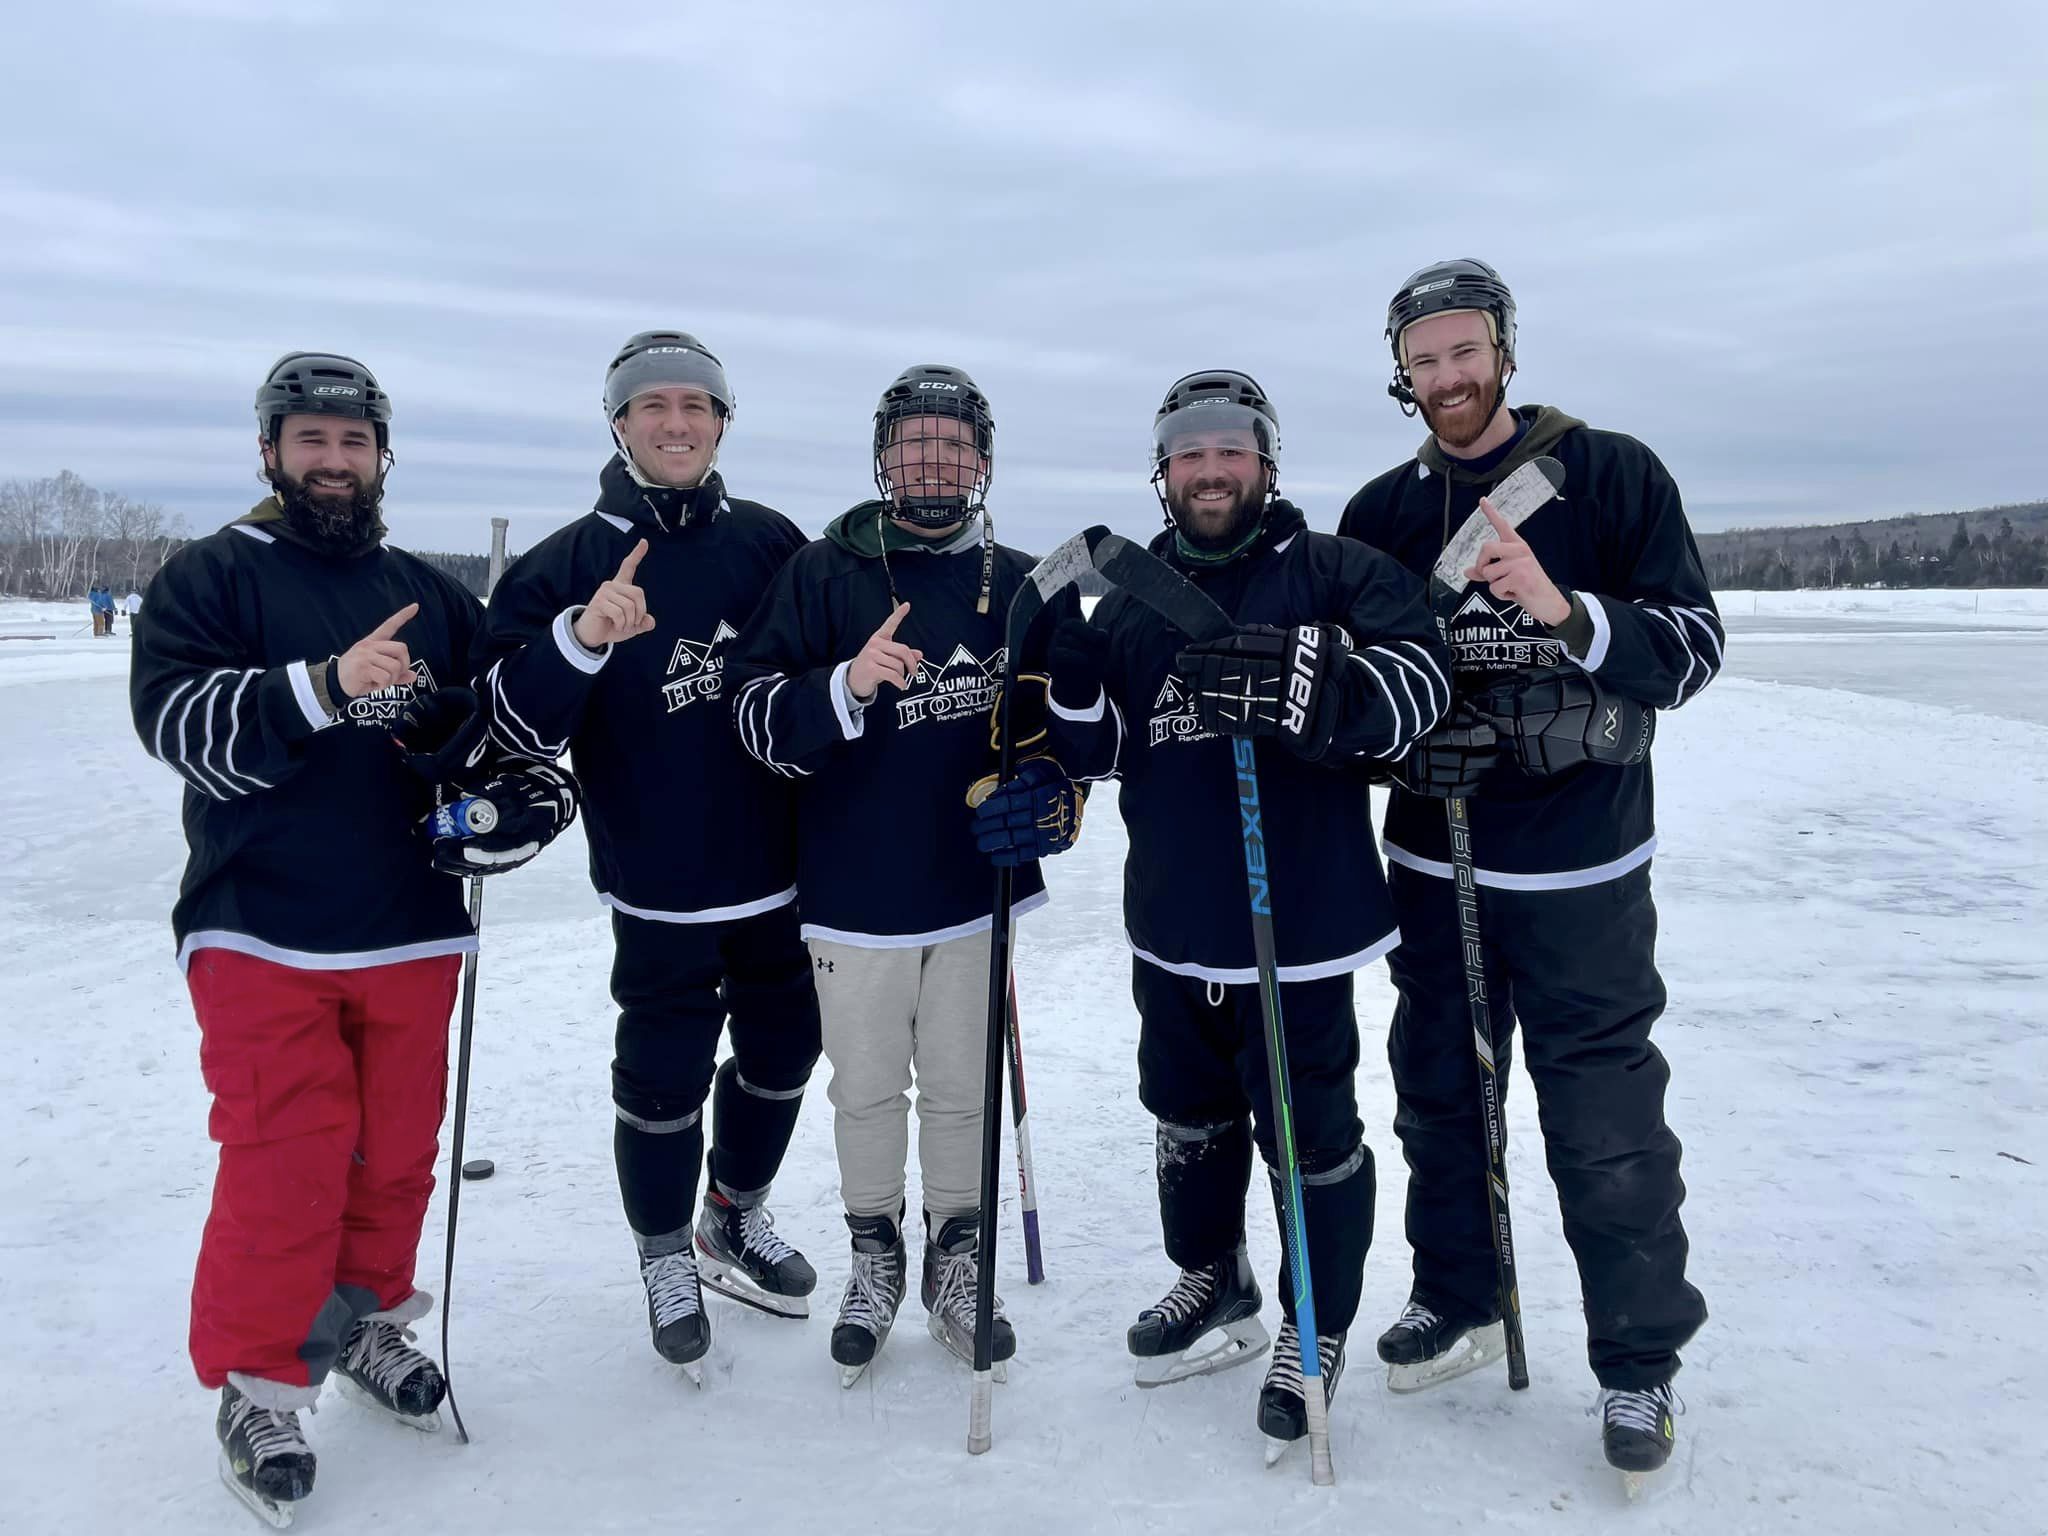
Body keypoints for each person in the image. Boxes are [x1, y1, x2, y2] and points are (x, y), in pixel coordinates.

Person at [130, 350, 579, 1523]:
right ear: (270, 451)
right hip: (261, 925)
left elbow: (484, 728)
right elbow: (179, 725)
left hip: (410, 928)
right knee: (287, 1154)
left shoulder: (428, 593)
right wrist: (320, 686)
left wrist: (522, 797)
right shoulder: (214, 575)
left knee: (393, 1150)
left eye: (353, 442)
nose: (333, 461)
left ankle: (366, 1321)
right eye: (309, 440)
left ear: (384, 455)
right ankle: (262, 1382)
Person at [975, 370, 1449, 1456]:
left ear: (1264, 462)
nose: (1208, 469)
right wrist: (1072, 666)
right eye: (1186, 453)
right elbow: (1097, 753)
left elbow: (1418, 690)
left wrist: (1308, 685)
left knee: (1305, 1132)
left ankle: (1312, 1325)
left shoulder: (1332, 571)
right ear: (1161, 472)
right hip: (1176, 915)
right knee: (1182, 1114)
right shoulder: (1134, 595)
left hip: (1301, 920)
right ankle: (1211, 1275)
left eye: (1228, 449)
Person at [1338, 258, 1719, 1481]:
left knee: (1602, 1120)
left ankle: (1637, 1362)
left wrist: (1569, 616)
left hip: (1579, 874)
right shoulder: (1383, 514)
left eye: (1465, 350)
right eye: (1424, 359)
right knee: (1441, 1096)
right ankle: (1456, 1294)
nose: (1447, 376)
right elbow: (1360, 684)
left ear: (1503, 350)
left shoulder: (1608, 475)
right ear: (1400, 375)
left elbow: (1692, 645)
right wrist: (1402, 733)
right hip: (1434, 860)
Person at [473, 331, 822, 1379]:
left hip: (782, 875)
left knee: (781, 1055)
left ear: (722, 422)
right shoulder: (562, 564)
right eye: (653, 406)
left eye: (696, 407)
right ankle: (664, 1251)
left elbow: (818, 686)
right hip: (660, 882)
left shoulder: (771, 544)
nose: (676, 424)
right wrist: (579, 639)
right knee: (663, 1078)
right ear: (618, 423)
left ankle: (733, 1214)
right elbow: (506, 730)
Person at [726, 364, 1067, 1386]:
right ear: (882, 460)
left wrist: (1049, 792)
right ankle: (874, 1254)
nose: (933, 462)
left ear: (983, 459)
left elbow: (1071, 723)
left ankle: (955, 1259)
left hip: (973, 889)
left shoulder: (1017, 581)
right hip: (850, 893)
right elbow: (751, 719)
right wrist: (842, 686)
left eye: (953, 445)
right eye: (914, 444)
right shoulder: (823, 573)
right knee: (867, 1092)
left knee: (962, 1089)